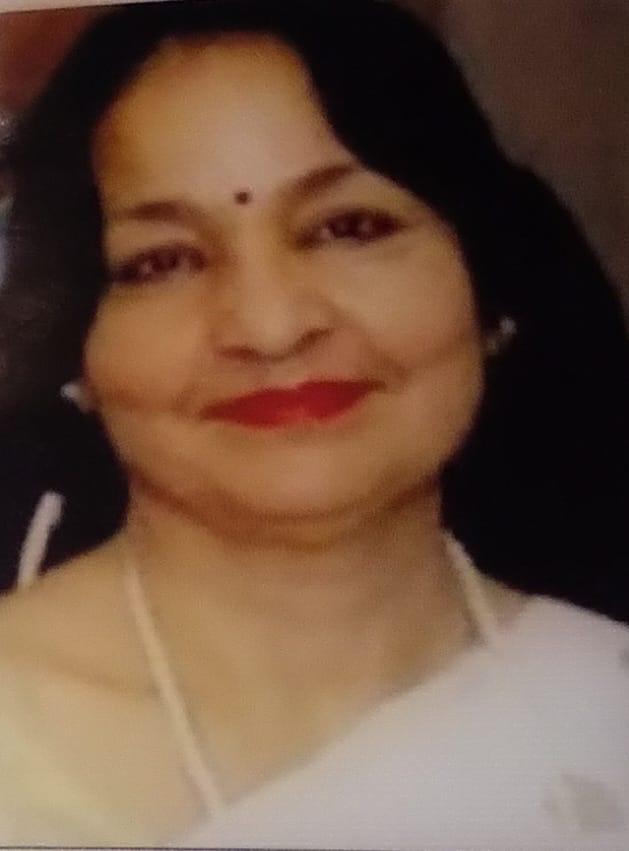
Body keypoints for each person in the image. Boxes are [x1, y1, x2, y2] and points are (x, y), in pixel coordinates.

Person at [0, 0, 627, 846]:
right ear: (76, 349)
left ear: (489, 292)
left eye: (348, 227)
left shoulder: (600, 698)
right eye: (164, 261)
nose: (270, 327)